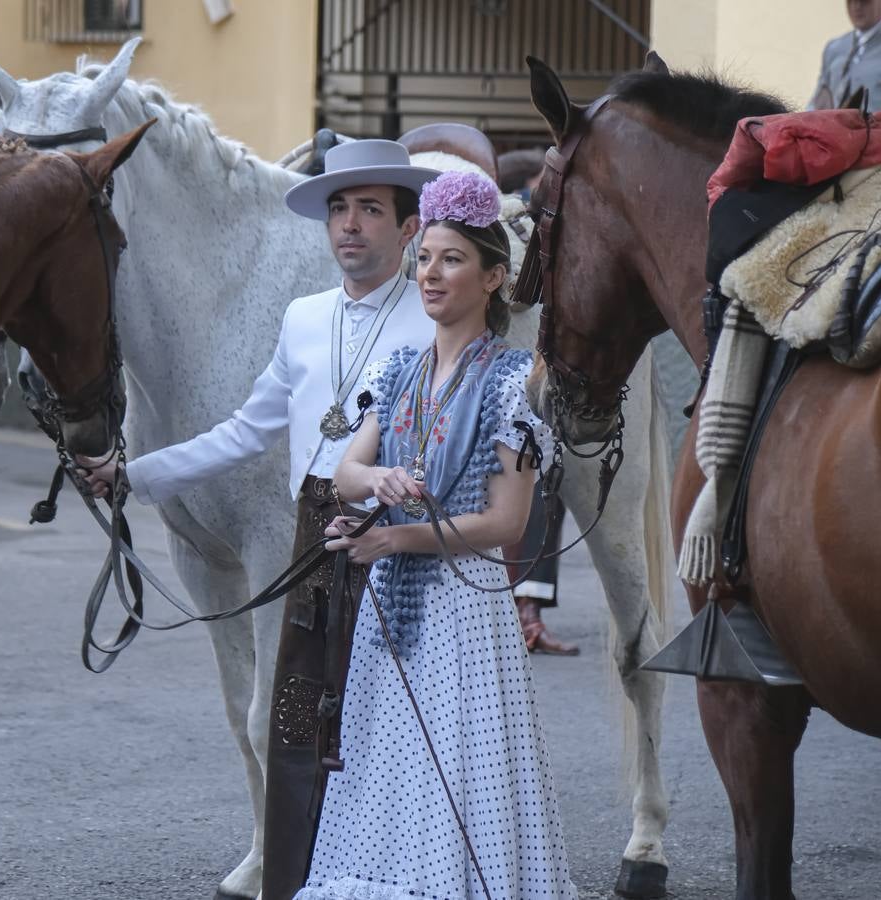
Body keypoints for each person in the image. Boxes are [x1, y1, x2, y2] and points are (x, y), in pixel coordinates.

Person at [79, 139, 440, 900]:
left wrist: (402, 524)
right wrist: (134, 475)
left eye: (370, 209)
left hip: (408, 552)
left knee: (400, 736)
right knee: (297, 724)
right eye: (339, 208)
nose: (349, 226)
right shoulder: (305, 317)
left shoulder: (437, 318)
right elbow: (244, 433)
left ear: (409, 230)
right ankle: (301, 869)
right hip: (313, 549)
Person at [295, 170, 577, 899]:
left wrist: (396, 540)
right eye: (423, 258)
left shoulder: (514, 382)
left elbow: (506, 523)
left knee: (456, 762)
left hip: (464, 612)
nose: (429, 273)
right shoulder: (398, 373)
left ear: (492, 278)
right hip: (397, 605)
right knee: (387, 760)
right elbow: (348, 473)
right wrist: (382, 482)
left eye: (451, 259)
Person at [495, 146, 580, 656]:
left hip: (533, 379)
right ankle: (522, 615)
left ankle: (526, 612)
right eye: (530, 191)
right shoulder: (510, 235)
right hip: (511, 384)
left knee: (548, 492)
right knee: (537, 493)